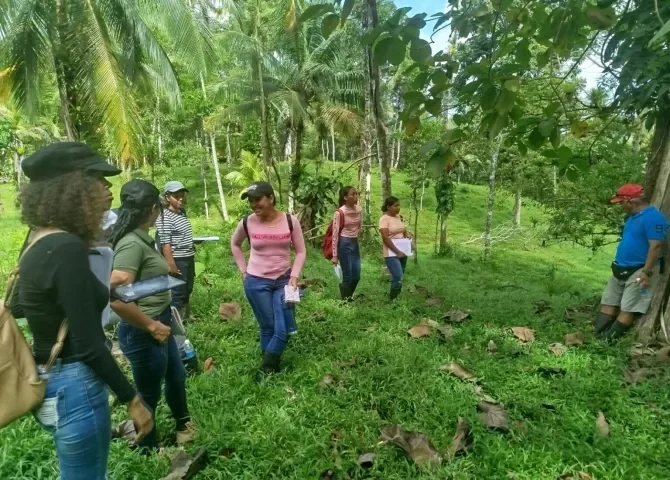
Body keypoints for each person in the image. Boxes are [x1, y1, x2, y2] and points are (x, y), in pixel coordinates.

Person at [9, 142, 152, 479]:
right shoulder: (67, 248)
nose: (107, 187)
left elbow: (21, 304)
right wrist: (133, 400)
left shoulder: (39, 239)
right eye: (97, 179)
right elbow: (89, 344)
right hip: (75, 384)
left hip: (48, 377)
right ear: (72, 188)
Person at [109, 179, 196, 451]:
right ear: (151, 210)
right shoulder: (132, 244)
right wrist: (150, 326)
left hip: (160, 320)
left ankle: (183, 424)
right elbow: (116, 299)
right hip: (144, 329)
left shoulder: (140, 238)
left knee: (176, 375)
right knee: (148, 392)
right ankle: (147, 446)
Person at [230, 182, 306, 383]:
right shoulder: (247, 222)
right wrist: (242, 269)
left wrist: (294, 276)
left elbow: (300, 251)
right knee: (267, 326)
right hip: (256, 282)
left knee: (282, 329)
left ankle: (264, 370)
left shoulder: (290, 221)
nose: (254, 205)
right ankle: (272, 367)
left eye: (258, 200)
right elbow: (235, 244)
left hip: (284, 281)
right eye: (251, 201)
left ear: (271, 198)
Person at [595, 184, 668, 341]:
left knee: (628, 307)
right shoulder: (632, 217)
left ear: (630, 201)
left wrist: (646, 272)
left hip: (640, 269)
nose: (620, 206)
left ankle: (607, 342)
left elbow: (655, 246)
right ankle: (597, 336)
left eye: (621, 202)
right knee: (608, 301)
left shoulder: (654, 218)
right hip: (620, 266)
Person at [156, 181, 196, 321]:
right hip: (178, 259)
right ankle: (174, 323)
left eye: (182, 195)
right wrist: (171, 264)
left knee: (187, 289)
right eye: (176, 196)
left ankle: (185, 317)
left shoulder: (181, 213)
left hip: (188, 256)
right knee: (178, 292)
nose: (180, 198)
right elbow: (165, 243)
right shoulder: (164, 216)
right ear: (167, 197)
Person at [331, 186, 363, 300]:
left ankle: (347, 296)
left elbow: (360, 226)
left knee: (357, 275)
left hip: (354, 242)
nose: (355, 196)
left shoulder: (359, 209)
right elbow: (335, 234)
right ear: (345, 197)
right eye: (352, 194)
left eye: (356, 194)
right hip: (344, 243)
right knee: (348, 276)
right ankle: (345, 301)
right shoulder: (340, 212)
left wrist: (357, 238)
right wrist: (335, 255)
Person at [379, 196, 412, 301]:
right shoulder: (384, 219)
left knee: (400, 276)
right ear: (388, 207)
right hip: (391, 252)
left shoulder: (399, 217)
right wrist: (397, 252)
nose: (398, 208)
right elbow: (385, 237)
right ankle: (392, 299)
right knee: (397, 276)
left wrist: (407, 235)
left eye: (399, 205)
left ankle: (397, 298)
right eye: (395, 205)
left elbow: (403, 230)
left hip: (403, 250)